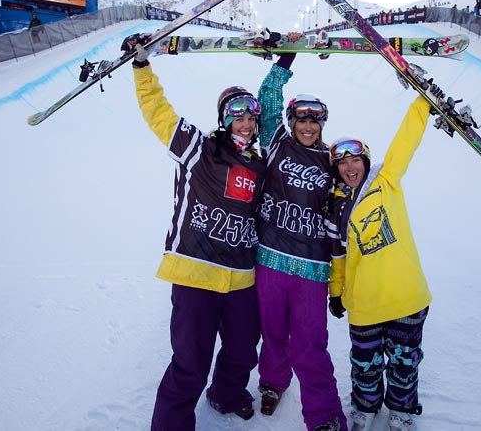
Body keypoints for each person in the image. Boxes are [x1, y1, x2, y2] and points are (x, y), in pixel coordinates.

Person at [132, 42, 267, 431]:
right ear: (225, 119)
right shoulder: (199, 149)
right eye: (236, 115)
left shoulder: (260, 165)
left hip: (241, 276)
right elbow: (159, 114)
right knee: (191, 362)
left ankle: (225, 394)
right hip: (195, 272)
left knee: (243, 352)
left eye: (250, 116)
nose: (244, 122)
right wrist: (142, 69)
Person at [326, 84, 436, 431]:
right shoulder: (335, 207)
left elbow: (406, 140)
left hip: (405, 297)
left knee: (404, 363)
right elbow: (338, 257)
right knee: (365, 363)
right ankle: (365, 406)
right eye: (342, 163)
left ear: (366, 161)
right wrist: (336, 292)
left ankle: (402, 411)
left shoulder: (386, 181)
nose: (349, 167)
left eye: (355, 159)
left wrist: (424, 103)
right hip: (365, 304)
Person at [253, 34, 347, 431]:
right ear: (292, 122)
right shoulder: (276, 143)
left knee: (311, 346)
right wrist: (287, 57)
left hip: (312, 268)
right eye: (302, 119)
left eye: (314, 120)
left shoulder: (332, 160)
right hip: (270, 258)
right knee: (272, 333)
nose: (307, 126)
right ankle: (273, 383)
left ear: (322, 124)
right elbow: (267, 95)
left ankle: (324, 418)